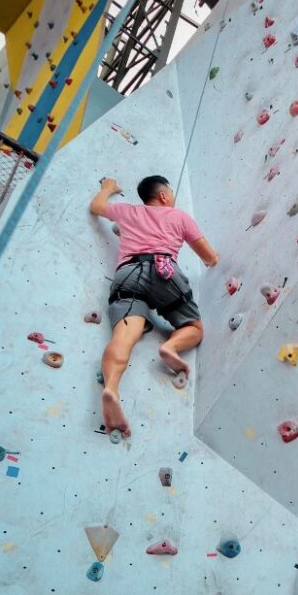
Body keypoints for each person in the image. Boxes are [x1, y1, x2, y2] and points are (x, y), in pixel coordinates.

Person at [89, 176, 218, 439]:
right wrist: (211, 261)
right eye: (170, 191)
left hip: (128, 273)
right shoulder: (179, 217)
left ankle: (111, 388)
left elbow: (96, 207)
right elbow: (209, 256)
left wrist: (108, 188)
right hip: (164, 271)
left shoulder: (127, 211)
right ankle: (170, 346)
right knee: (193, 327)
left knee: (123, 337)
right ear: (163, 196)